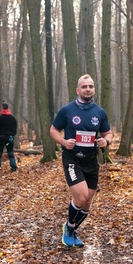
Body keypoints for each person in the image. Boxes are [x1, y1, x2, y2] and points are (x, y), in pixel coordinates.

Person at [50, 74, 112, 248]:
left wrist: (106, 141)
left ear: (94, 89)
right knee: (81, 196)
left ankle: (73, 229)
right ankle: (69, 229)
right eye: (84, 87)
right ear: (78, 90)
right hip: (72, 159)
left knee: (87, 202)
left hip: (92, 160)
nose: (88, 89)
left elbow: (108, 133)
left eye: (91, 86)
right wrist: (63, 142)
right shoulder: (67, 110)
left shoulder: (100, 112)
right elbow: (53, 130)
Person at [0, 102, 18, 173]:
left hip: (1, 138)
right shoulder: (13, 118)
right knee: (10, 153)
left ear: (2, 108)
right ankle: (14, 167)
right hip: (10, 138)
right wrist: (12, 135)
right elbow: (15, 129)